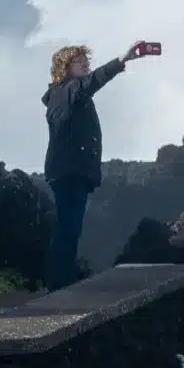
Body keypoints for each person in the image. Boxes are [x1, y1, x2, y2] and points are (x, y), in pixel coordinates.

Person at [41, 42, 156, 291]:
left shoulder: (68, 93)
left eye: (86, 59)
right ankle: (58, 285)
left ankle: (59, 283)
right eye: (78, 60)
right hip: (68, 172)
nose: (85, 63)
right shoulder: (66, 91)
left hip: (71, 172)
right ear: (65, 67)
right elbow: (91, 82)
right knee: (67, 229)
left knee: (69, 228)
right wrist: (121, 60)